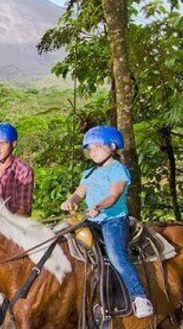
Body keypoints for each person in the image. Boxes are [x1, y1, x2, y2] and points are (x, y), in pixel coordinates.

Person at [60, 126, 154, 318]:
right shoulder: (88, 173)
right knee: (63, 238)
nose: (93, 151)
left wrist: (99, 206)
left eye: (97, 147)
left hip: (113, 221)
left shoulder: (118, 170)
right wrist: (71, 201)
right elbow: (79, 193)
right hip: (91, 221)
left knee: (116, 256)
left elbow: (114, 195)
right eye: (90, 148)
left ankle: (139, 297)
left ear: (112, 146)